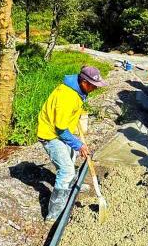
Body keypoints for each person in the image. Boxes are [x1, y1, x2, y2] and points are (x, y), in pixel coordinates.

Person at [37, 65, 107, 221]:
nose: (95, 88)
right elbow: (60, 129)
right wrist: (78, 144)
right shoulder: (67, 97)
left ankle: (72, 185)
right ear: (83, 82)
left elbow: (68, 116)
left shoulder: (78, 90)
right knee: (67, 170)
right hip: (51, 135)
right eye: (93, 86)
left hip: (61, 130)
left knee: (72, 157)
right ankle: (54, 215)